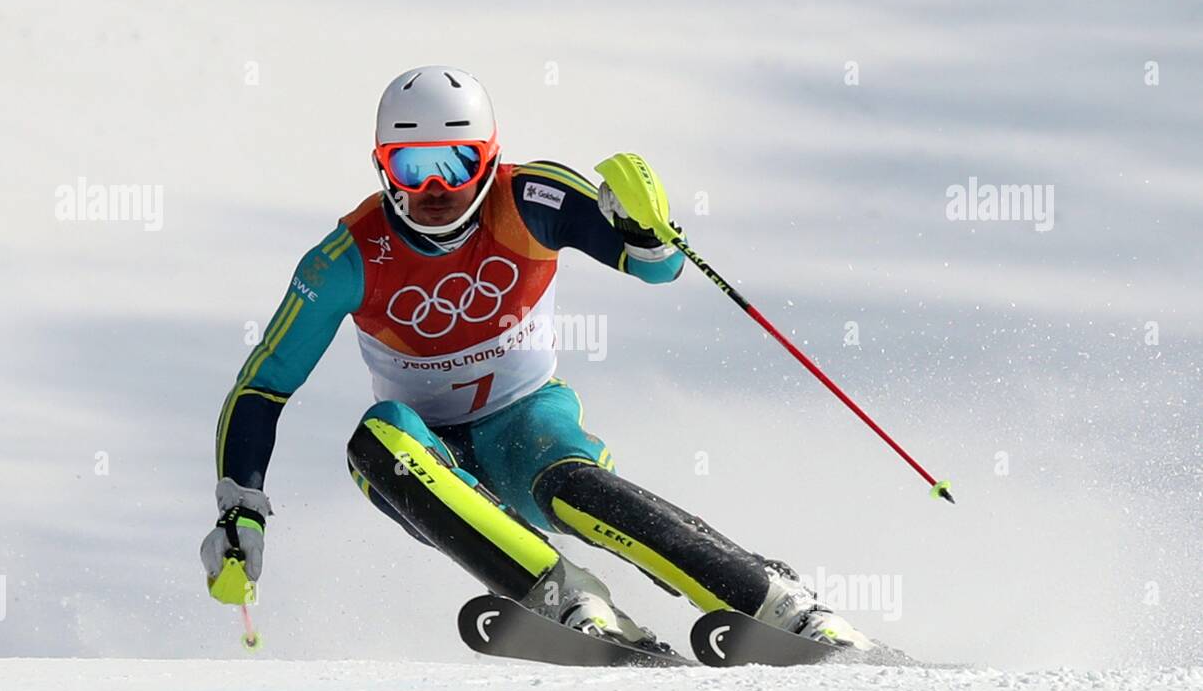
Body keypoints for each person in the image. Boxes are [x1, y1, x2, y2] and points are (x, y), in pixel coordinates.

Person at [201, 65, 868, 653]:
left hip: (528, 427)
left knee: (569, 488)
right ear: (382, 165)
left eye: (456, 164)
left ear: (489, 159)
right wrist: (241, 507)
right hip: (432, 462)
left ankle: (780, 602)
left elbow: (656, 268)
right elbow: (263, 386)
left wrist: (647, 224)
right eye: (411, 165)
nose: (434, 187)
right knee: (375, 441)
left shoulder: (529, 199)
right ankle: (569, 598)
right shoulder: (346, 258)